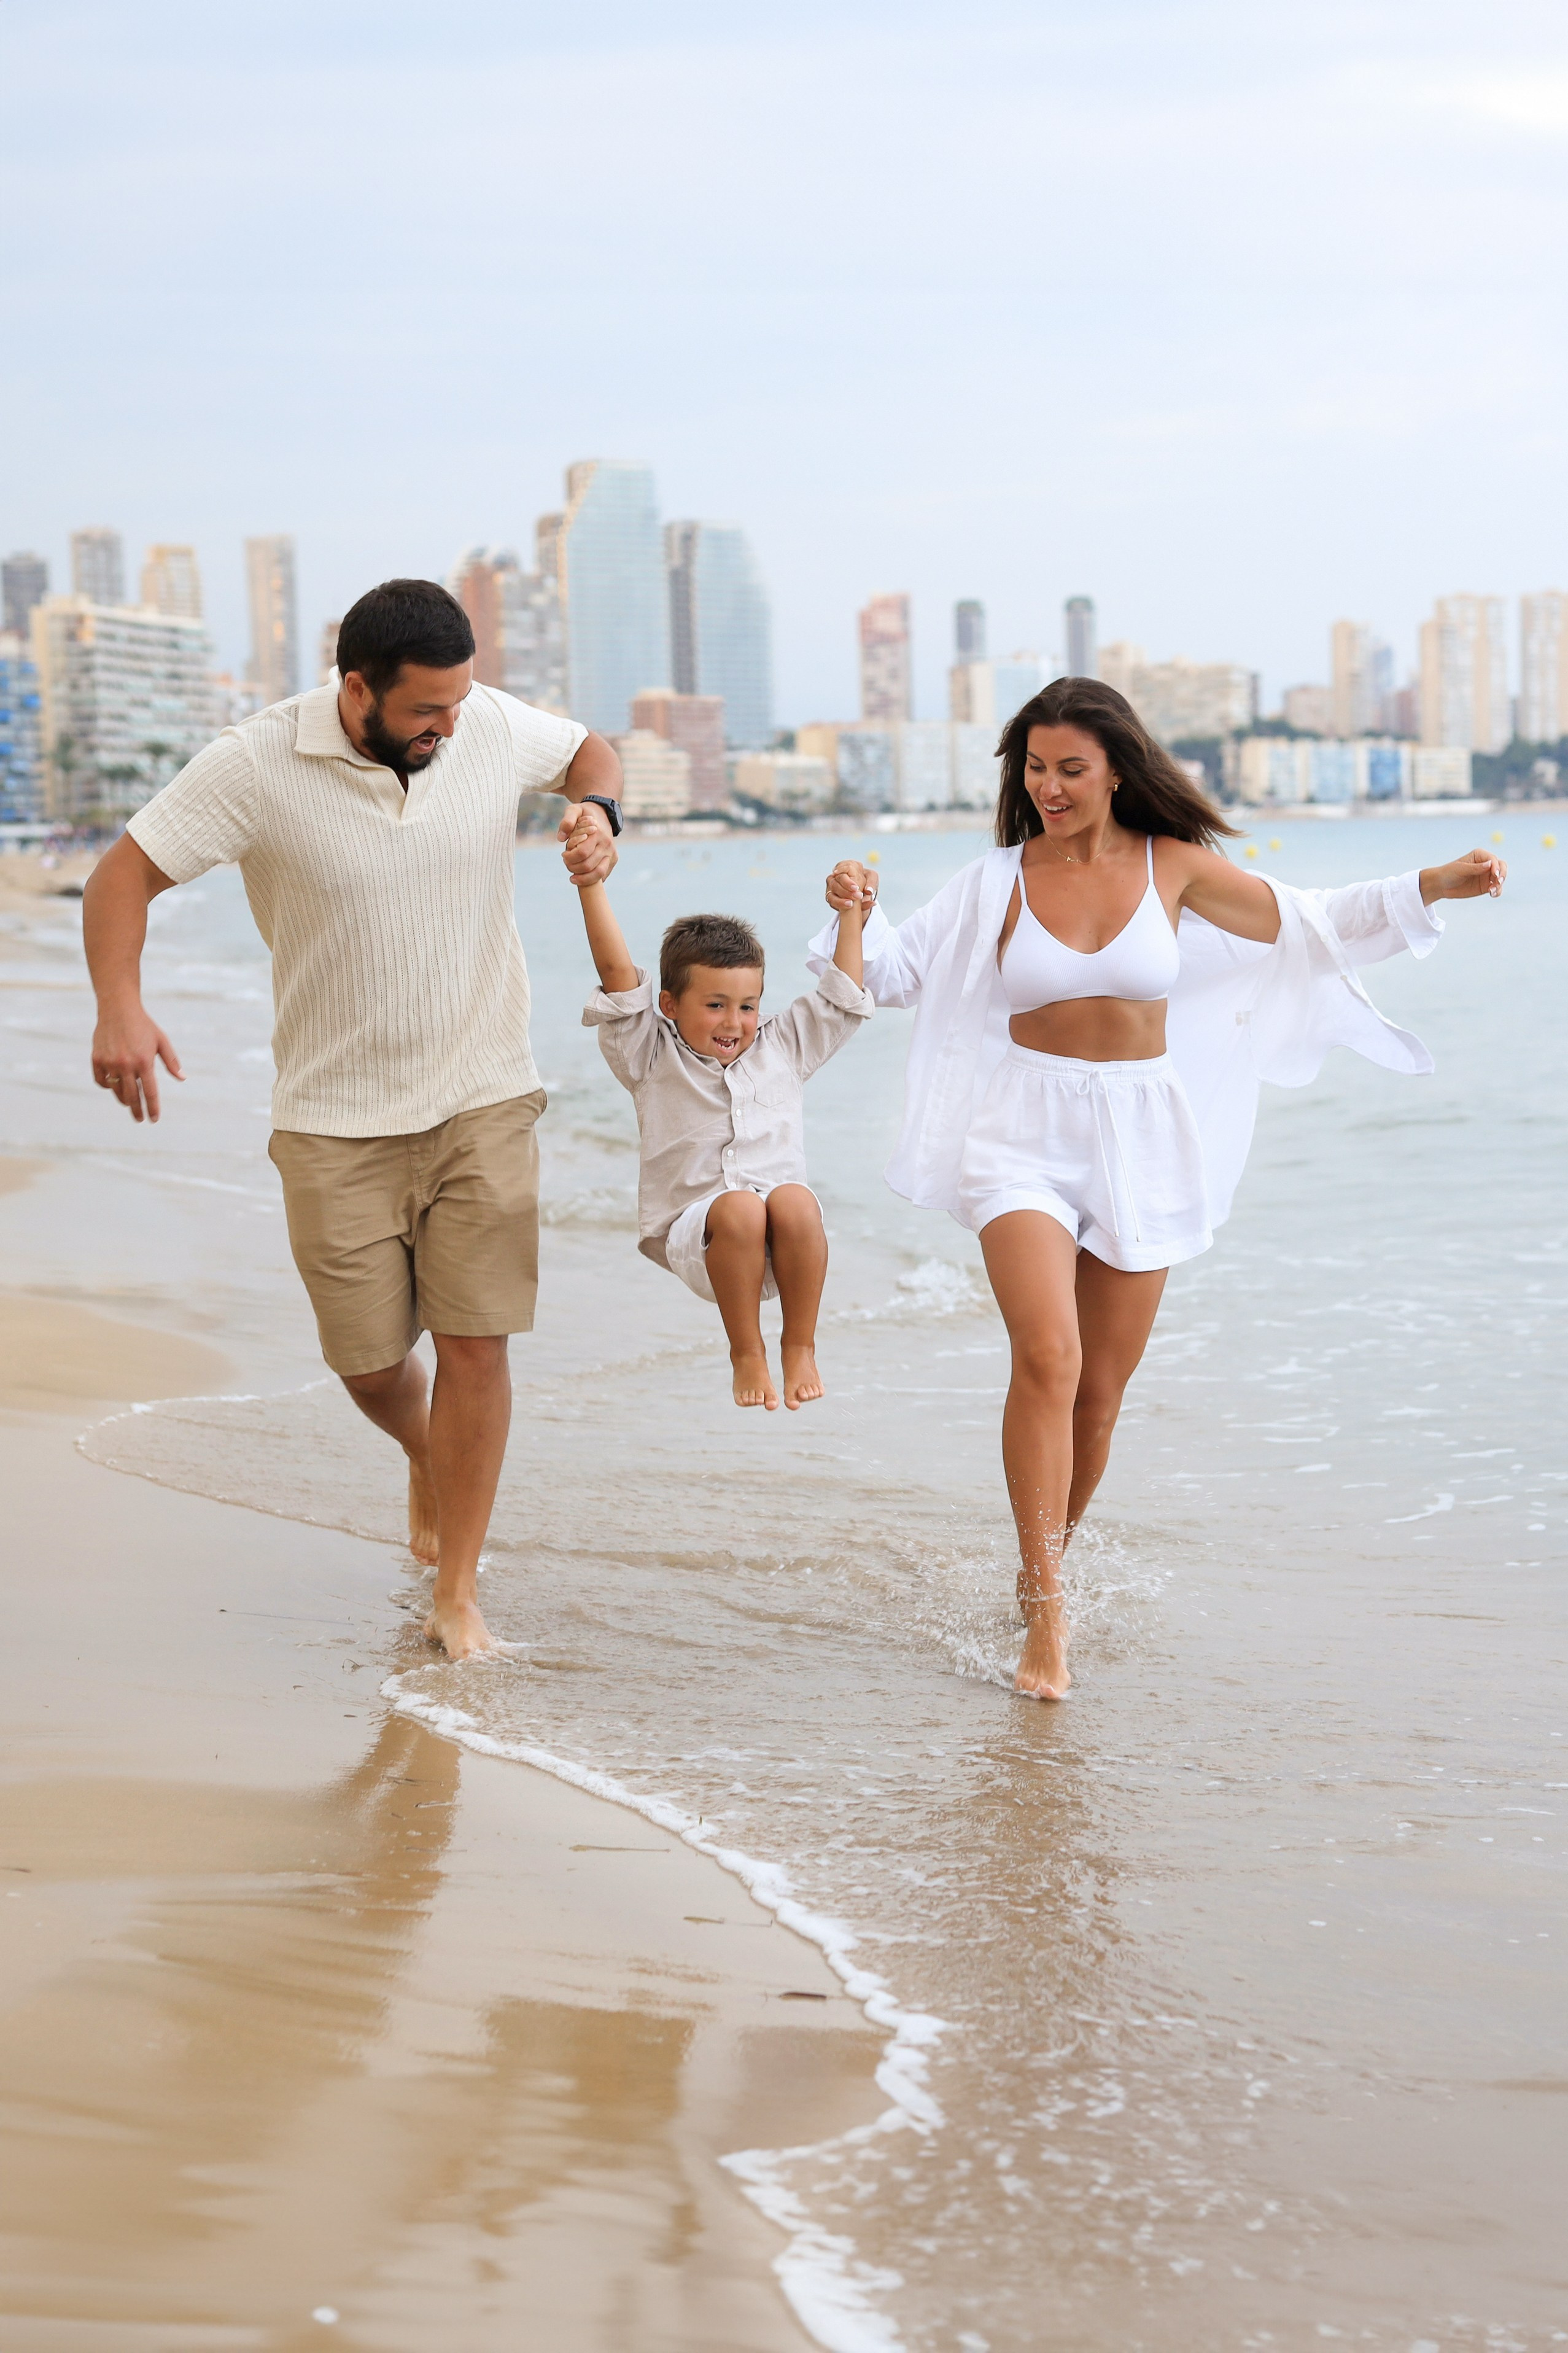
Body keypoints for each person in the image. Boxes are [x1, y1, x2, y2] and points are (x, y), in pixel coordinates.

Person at [813, 677, 1505, 1702]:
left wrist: (1429, 886)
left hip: (1140, 1131)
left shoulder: (1172, 866)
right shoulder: (989, 882)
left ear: (1115, 770)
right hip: (1020, 1132)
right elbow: (879, 979)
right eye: (1033, 768)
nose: (1046, 787)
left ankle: (1038, 1554)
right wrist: (851, 918)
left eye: (1068, 768)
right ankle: (1046, 1614)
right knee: (1045, 1355)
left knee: (1097, 1396)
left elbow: (1311, 925)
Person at [82, 577, 626, 1661]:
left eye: (458, 706)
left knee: (478, 1346)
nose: (448, 728)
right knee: (373, 1365)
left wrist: (596, 809)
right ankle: (425, 1454)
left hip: (483, 1093)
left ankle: (458, 1591)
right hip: (333, 1117)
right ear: (356, 688)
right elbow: (121, 877)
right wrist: (120, 1008)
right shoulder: (255, 764)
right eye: (424, 711)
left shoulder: (482, 724)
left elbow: (591, 752)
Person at [575, 862, 872, 1410]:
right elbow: (616, 972)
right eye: (715, 1006)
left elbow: (842, 995)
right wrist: (590, 883)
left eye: (747, 1005)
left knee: (796, 1201)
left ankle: (800, 1345)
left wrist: (851, 912)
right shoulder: (650, 1055)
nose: (734, 1022)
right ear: (669, 1006)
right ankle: (746, 1351)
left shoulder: (782, 1046)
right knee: (740, 1208)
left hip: (783, 1243)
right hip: (703, 1239)